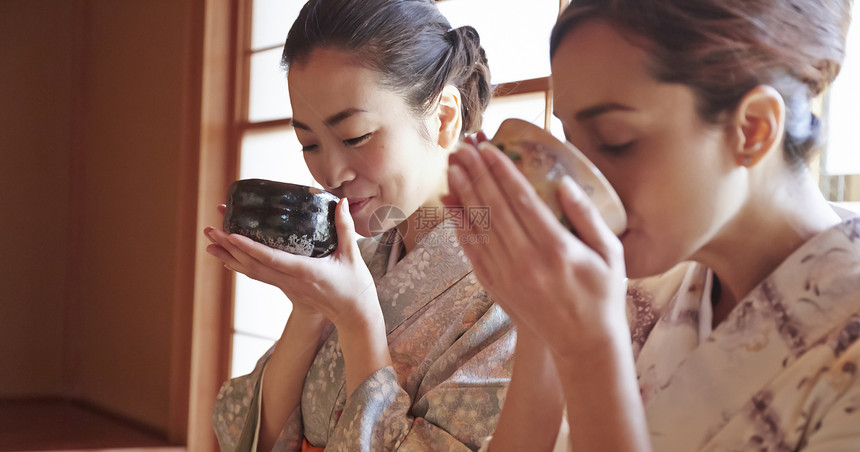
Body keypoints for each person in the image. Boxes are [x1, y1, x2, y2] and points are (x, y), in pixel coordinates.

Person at [445, 0, 860, 450]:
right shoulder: (634, 292)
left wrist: (589, 354)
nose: (585, 181)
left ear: (753, 129)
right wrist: (540, 331)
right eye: (569, 141)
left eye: (615, 141)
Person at [204, 1, 513, 451]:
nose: (331, 174)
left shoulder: (517, 286)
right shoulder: (361, 258)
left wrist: (355, 318)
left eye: (356, 137)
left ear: (444, 117)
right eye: (309, 144)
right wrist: (310, 311)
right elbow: (246, 436)